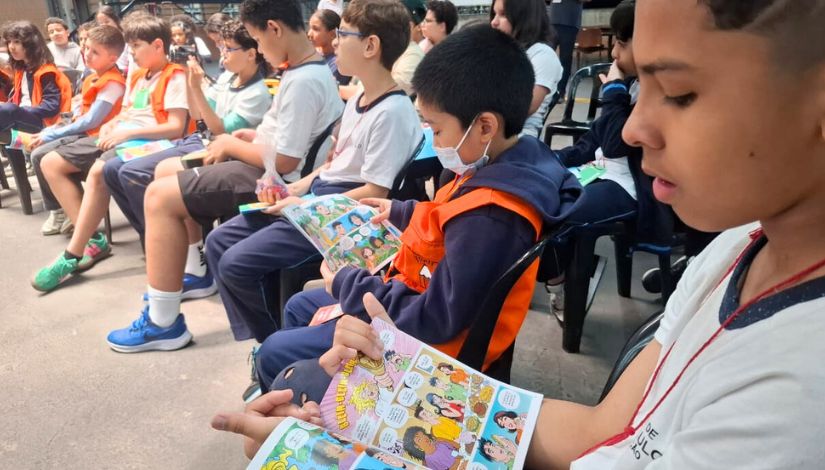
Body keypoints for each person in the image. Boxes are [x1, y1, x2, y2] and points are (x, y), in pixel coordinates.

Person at [218, 1, 825, 468]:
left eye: (683, 94)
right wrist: (376, 413)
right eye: (641, 89)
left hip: (433, 332)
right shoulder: (736, 249)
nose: (633, 129)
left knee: (293, 375)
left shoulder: (800, 389)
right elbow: (602, 430)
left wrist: (341, 453)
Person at [249, 25, 581, 390]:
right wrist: (402, 211)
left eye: (436, 130)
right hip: (414, 295)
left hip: (423, 352)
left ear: (485, 126)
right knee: (299, 306)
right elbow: (450, 219)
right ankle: (308, 386)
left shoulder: (492, 218)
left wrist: (349, 282)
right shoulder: (504, 165)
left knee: (274, 352)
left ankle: (299, 395)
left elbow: (436, 318)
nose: (434, 141)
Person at [104, 0, 344, 353]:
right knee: (164, 175)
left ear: (274, 28)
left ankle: (163, 320)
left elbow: (287, 158)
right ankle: (189, 277)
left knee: (159, 196)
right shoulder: (303, 71)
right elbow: (285, 140)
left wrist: (231, 142)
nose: (259, 49)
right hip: (266, 168)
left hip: (273, 178)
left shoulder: (304, 79)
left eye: (257, 41)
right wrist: (249, 138)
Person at [205, 0, 423, 366]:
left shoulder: (393, 111)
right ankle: (276, 342)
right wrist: (296, 188)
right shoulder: (358, 100)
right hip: (320, 197)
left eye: (342, 34)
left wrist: (306, 206)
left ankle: (272, 346)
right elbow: (333, 164)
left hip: (342, 214)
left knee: (235, 264)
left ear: (370, 46)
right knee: (217, 241)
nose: (333, 42)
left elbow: (374, 192)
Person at [538, 0, 674, 322]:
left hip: (637, 186)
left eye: (622, 43)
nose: (614, 53)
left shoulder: (658, 92)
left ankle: (566, 287)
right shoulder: (632, 84)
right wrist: (549, 159)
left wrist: (613, 89)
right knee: (542, 192)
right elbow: (593, 141)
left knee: (563, 213)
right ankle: (563, 277)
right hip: (604, 171)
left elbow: (615, 146)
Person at [31, 16, 187, 292]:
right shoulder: (138, 75)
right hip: (127, 138)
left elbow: (175, 127)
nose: (132, 53)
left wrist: (124, 133)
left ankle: (74, 252)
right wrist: (114, 125)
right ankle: (81, 247)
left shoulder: (174, 75)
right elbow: (128, 112)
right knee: (75, 165)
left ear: (158, 45)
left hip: (158, 143)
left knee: (100, 171)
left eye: (136, 46)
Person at [102, 19, 271, 251]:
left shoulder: (256, 93)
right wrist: (193, 85)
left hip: (219, 146)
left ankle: (172, 245)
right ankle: (155, 237)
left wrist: (195, 88)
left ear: (251, 54)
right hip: (200, 139)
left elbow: (220, 129)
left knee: (134, 171)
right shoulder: (226, 78)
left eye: (228, 49)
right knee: (111, 169)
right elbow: (196, 114)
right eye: (221, 48)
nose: (222, 55)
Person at [30, 25, 126, 238]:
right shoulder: (92, 76)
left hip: (100, 138)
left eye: (95, 52)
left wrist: (50, 134)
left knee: (46, 156)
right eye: (87, 48)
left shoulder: (113, 83)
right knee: (38, 154)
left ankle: (83, 224)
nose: (87, 55)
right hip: (87, 133)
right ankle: (64, 210)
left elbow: (91, 120)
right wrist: (55, 128)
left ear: (112, 58)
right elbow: (79, 114)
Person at [491, 0, 563, 138]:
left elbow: (524, 107)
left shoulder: (542, 54)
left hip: (517, 137)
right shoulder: (502, 51)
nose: (494, 22)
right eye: (494, 14)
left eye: (503, 14)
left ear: (524, 17)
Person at [338, 0, 425, 98]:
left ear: (409, 26)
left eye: (343, 34)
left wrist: (337, 90)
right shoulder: (374, 48)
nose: (335, 42)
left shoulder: (413, 55)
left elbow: (386, 91)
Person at [0, 21, 72, 135]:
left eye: (17, 42)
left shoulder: (46, 72)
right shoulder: (21, 70)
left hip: (44, 123)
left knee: (8, 110)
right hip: (22, 117)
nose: (11, 47)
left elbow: (51, 106)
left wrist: (21, 110)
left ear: (31, 44)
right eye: (9, 42)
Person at [546, 0, 590, 99]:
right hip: (552, 20)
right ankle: (544, 88)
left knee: (565, 59)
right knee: (546, 55)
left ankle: (560, 91)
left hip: (569, 21)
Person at [308, 9, 351, 85]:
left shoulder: (339, 63)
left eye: (315, 29)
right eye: (310, 28)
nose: (309, 34)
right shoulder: (312, 54)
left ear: (332, 34)